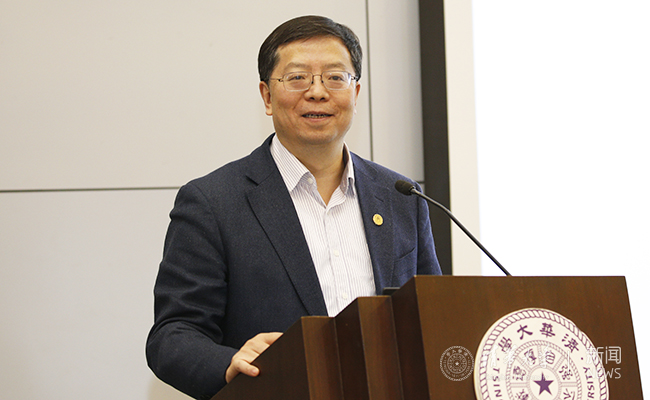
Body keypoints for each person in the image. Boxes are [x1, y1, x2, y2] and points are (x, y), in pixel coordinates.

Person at [146, 15, 442, 400]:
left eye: (335, 77)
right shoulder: (213, 202)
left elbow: (432, 316)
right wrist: (229, 361)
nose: (317, 92)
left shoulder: (401, 196)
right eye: (298, 77)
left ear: (355, 93)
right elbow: (172, 336)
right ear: (267, 96)